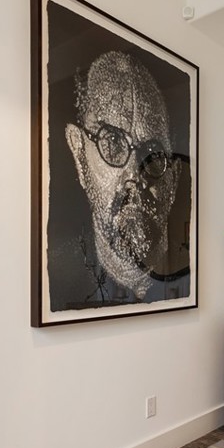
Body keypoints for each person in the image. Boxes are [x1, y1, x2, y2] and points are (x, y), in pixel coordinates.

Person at [64, 51, 183, 300]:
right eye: (112, 141)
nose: (133, 174)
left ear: (172, 179)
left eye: (151, 152)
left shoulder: (185, 281)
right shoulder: (66, 281)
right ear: (79, 152)